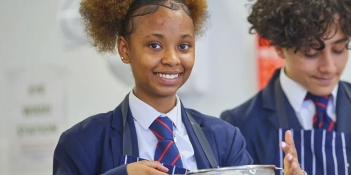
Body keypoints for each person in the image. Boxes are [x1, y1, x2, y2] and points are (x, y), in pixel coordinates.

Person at [51, 0, 285, 174]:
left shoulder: (226, 140)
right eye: (154, 45)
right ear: (124, 49)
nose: (172, 59)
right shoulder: (81, 144)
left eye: (184, 46)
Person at [221, 0, 351, 175]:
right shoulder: (238, 127)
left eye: (339, 49)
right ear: (279, 47)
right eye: (311, 52)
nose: (329, 67)